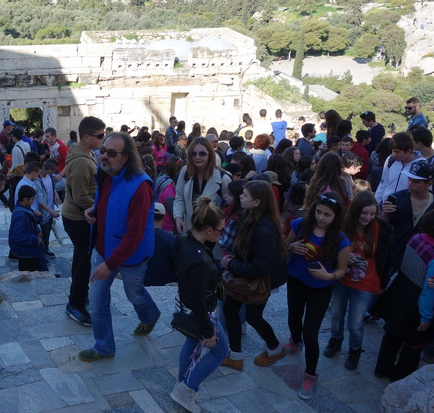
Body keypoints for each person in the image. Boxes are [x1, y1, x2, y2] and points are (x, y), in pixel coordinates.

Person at [78, 132, 160, 362]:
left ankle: (151, 315)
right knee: (96, 303)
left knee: (134, 295)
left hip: (130, 256)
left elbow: (134, 235)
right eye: (103, 150)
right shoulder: (104, 174)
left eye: (111, 153)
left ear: (126, 157)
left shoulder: (141, 187)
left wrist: (110, 264)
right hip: (103, 249)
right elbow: (109, 201)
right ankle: (104, 347)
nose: (104, 156)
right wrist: (94, 210)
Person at [285, 192, 351, 400]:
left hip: (321, 288)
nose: (321, 217)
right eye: (319, 212)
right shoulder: (299, 224)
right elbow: (284, 248)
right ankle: (295, 341)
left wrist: (327, 275)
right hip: (296, 280)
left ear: (335, 217)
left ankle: (310, 375)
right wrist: (290, 247)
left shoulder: (341, 240)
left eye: (327, 215)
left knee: (311, 333)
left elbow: (342, 270)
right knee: (294, 316)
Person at [374, 209, 434, 381]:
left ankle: (382, 369)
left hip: (399, 288)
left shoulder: (415, 238)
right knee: (413, 345)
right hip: (415, 302)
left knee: (392, 334)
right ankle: (400, 378)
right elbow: (428, 290)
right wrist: (426, 317)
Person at [220, 181, 288, 371]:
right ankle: (235, 355)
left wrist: (232, 263)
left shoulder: (264, 230)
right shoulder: (248, 217)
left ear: (257, 202)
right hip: (243, 278)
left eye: (245, 195)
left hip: (257, 282)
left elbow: (259, 267)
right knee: (230, 310)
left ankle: (275, 348)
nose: (241, 197)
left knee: (254, 317)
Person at [169, 196, 228, 413]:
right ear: (209, 230)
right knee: (220, 351)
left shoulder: (183, 239)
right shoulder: (200, 260)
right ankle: (186, 388)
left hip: (186, 305)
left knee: (191, 344)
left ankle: (182, 384)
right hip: (201, 312)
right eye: (220, 231)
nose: (221, 235)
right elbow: (200, 301)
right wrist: (208, 331)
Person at [324, 192, 392, 370]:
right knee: (337, 315)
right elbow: (329, 248)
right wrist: (343, 257)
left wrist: (381, 283)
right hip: (341, 279)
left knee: (355, 324)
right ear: (355, 211)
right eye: (364, 213)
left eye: (372, 213)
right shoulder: (343, 226)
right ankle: (336, 340)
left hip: (365, 284)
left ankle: (355, 350)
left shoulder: (381, 229)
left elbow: (385, 258)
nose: (368, 217)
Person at [61, 116, 106, 327]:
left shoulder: (81, 153)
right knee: (85, 262)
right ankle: (75, 304)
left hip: (76, 216)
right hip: (79, 218)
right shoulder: (80, 161)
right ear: (87, 137)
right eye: (100, 136)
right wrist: (101, 207)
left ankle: (78, 295)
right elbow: (80, 197)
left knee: (80, 258)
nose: (102, 139)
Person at [380, 159, 434, 274]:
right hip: (395, 257)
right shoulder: (397, 198)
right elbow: (385, 227)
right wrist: (385, 213)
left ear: (429, 183)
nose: (410, 184)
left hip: (420, 262)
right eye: (409, 179)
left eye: (416, 181)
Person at [172, 137, 232, 234]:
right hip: (189, 231)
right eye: (194, 153)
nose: (197, 157)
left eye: (202, 153)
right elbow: (179, 198)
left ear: (210, 155)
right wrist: (178, 217)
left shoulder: (223, 179)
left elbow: (229, 209)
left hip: (212, 236)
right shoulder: (185, 172)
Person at [375, 132, 426, 206]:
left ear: (409, 150)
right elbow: (383, 183)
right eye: (392, 151)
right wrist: (376, 204)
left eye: (397, 152)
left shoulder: (421, 165)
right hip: (386, 206)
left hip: (405, 209)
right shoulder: (390, 160)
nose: (393, 154)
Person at [8, 184, 48, 272]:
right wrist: (36, 239)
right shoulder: (21, 216)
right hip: (25, 251)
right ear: (25, 199)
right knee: (33, 271)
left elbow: (33, 219)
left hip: (25, 249)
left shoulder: (25, 207)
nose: (33, 201)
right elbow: (18, 236)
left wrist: (39, 217)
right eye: (32, 199)